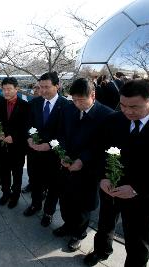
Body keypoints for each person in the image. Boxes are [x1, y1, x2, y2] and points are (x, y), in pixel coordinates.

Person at [84, 80, 149, 267]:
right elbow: (98, 151)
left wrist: (137, 189)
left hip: (143, 198)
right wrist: (102, 177)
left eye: (134, 106)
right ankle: (101, 251)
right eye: (123, 105)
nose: (127, 111)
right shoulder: (112, 120)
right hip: (110, 190)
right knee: (104, 226)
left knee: (137, 240)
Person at [55, 78, 113, 251]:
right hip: (67, 164)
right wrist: (62, 153)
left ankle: (78, 233)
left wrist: (83, 160)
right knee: (65, 199)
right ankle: (67, 225)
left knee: (83, 204)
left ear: (93, 95)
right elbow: (61, 133)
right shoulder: (67, 108)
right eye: (74, 99)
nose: (77, 103)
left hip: (88, 169)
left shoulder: (107, 115)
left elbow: (102, 145)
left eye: (81, 100)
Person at [23, 72, 69, 228]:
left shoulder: (67, 106)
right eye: (40, 87)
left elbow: (65, 134)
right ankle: (35, 205)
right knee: (35, 181)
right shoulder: (34, 103)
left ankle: (48, 212)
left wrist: (49, 145)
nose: (42, 90)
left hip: (54, 156)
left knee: (53, 186)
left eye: (46, 87)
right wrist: (29, 137)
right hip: (35, 153)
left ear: (57, 86)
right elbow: (28, 124)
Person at [0, 77, 29, 208]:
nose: (6, 92)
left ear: (17, 89)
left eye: (9, 89)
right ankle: (5, 194)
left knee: (17, 173)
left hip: (18, 147)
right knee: (4, 172)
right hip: (2, 146)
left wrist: (14, 137)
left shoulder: (25, 105)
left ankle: (15, 196)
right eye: (4, 89)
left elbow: (27, 127)